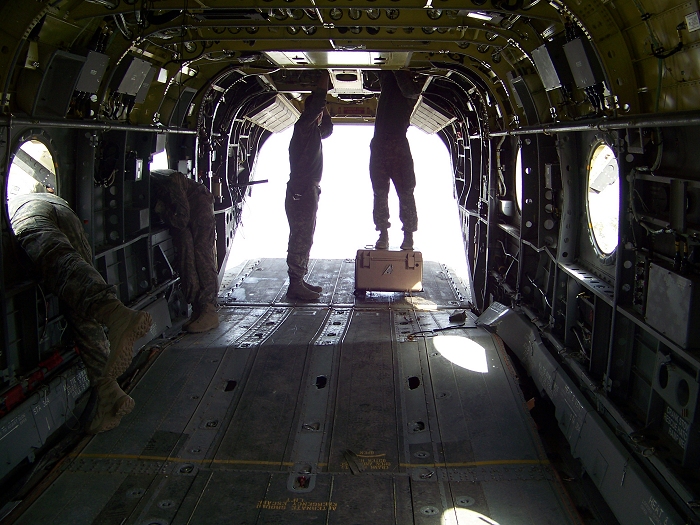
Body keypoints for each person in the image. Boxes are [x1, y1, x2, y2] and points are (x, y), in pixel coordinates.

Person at [8, 191, 153, 434]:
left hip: (28, 213)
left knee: (56, 258)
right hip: (64, 211)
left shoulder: (15, 203)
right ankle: (109, 394)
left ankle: (116, 314)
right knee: (79, 300)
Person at [150, 169, 220, 332]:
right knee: (188, 258)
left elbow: (181, 218)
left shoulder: (169, 182)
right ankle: (198, 309)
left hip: (200, 210)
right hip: (191, 215)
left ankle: (209, 310)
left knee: (202, 257)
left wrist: (161, 209)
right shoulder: (161, 181)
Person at [285, 71, 334, 301]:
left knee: (306, 236)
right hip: (302, 190)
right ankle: (295, 284)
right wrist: (323, 80)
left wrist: (325, 111)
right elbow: (315, 108)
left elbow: (328, 130)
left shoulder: (313, 131)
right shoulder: (304, 126)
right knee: (301, 236)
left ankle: (299, 279)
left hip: (307, 190)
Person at [370, 70, 423, 251]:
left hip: (397, 143)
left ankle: (408, 236)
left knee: (406, 191)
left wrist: (398, 69)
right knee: (380, 191)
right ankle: (383, 233)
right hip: (380, 144)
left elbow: (411, 92)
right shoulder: (389, 78)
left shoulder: (411, 87)